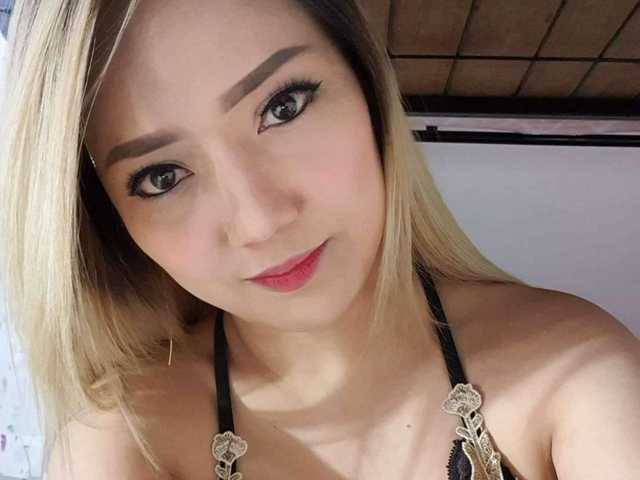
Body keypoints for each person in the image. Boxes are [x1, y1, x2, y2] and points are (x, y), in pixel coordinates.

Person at [0, 1, 638, 479]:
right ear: (111, 225)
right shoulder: (127, 436)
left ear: (368, 88)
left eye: (283, 107)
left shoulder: (574, 373)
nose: (260, 221)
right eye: (162, 176)